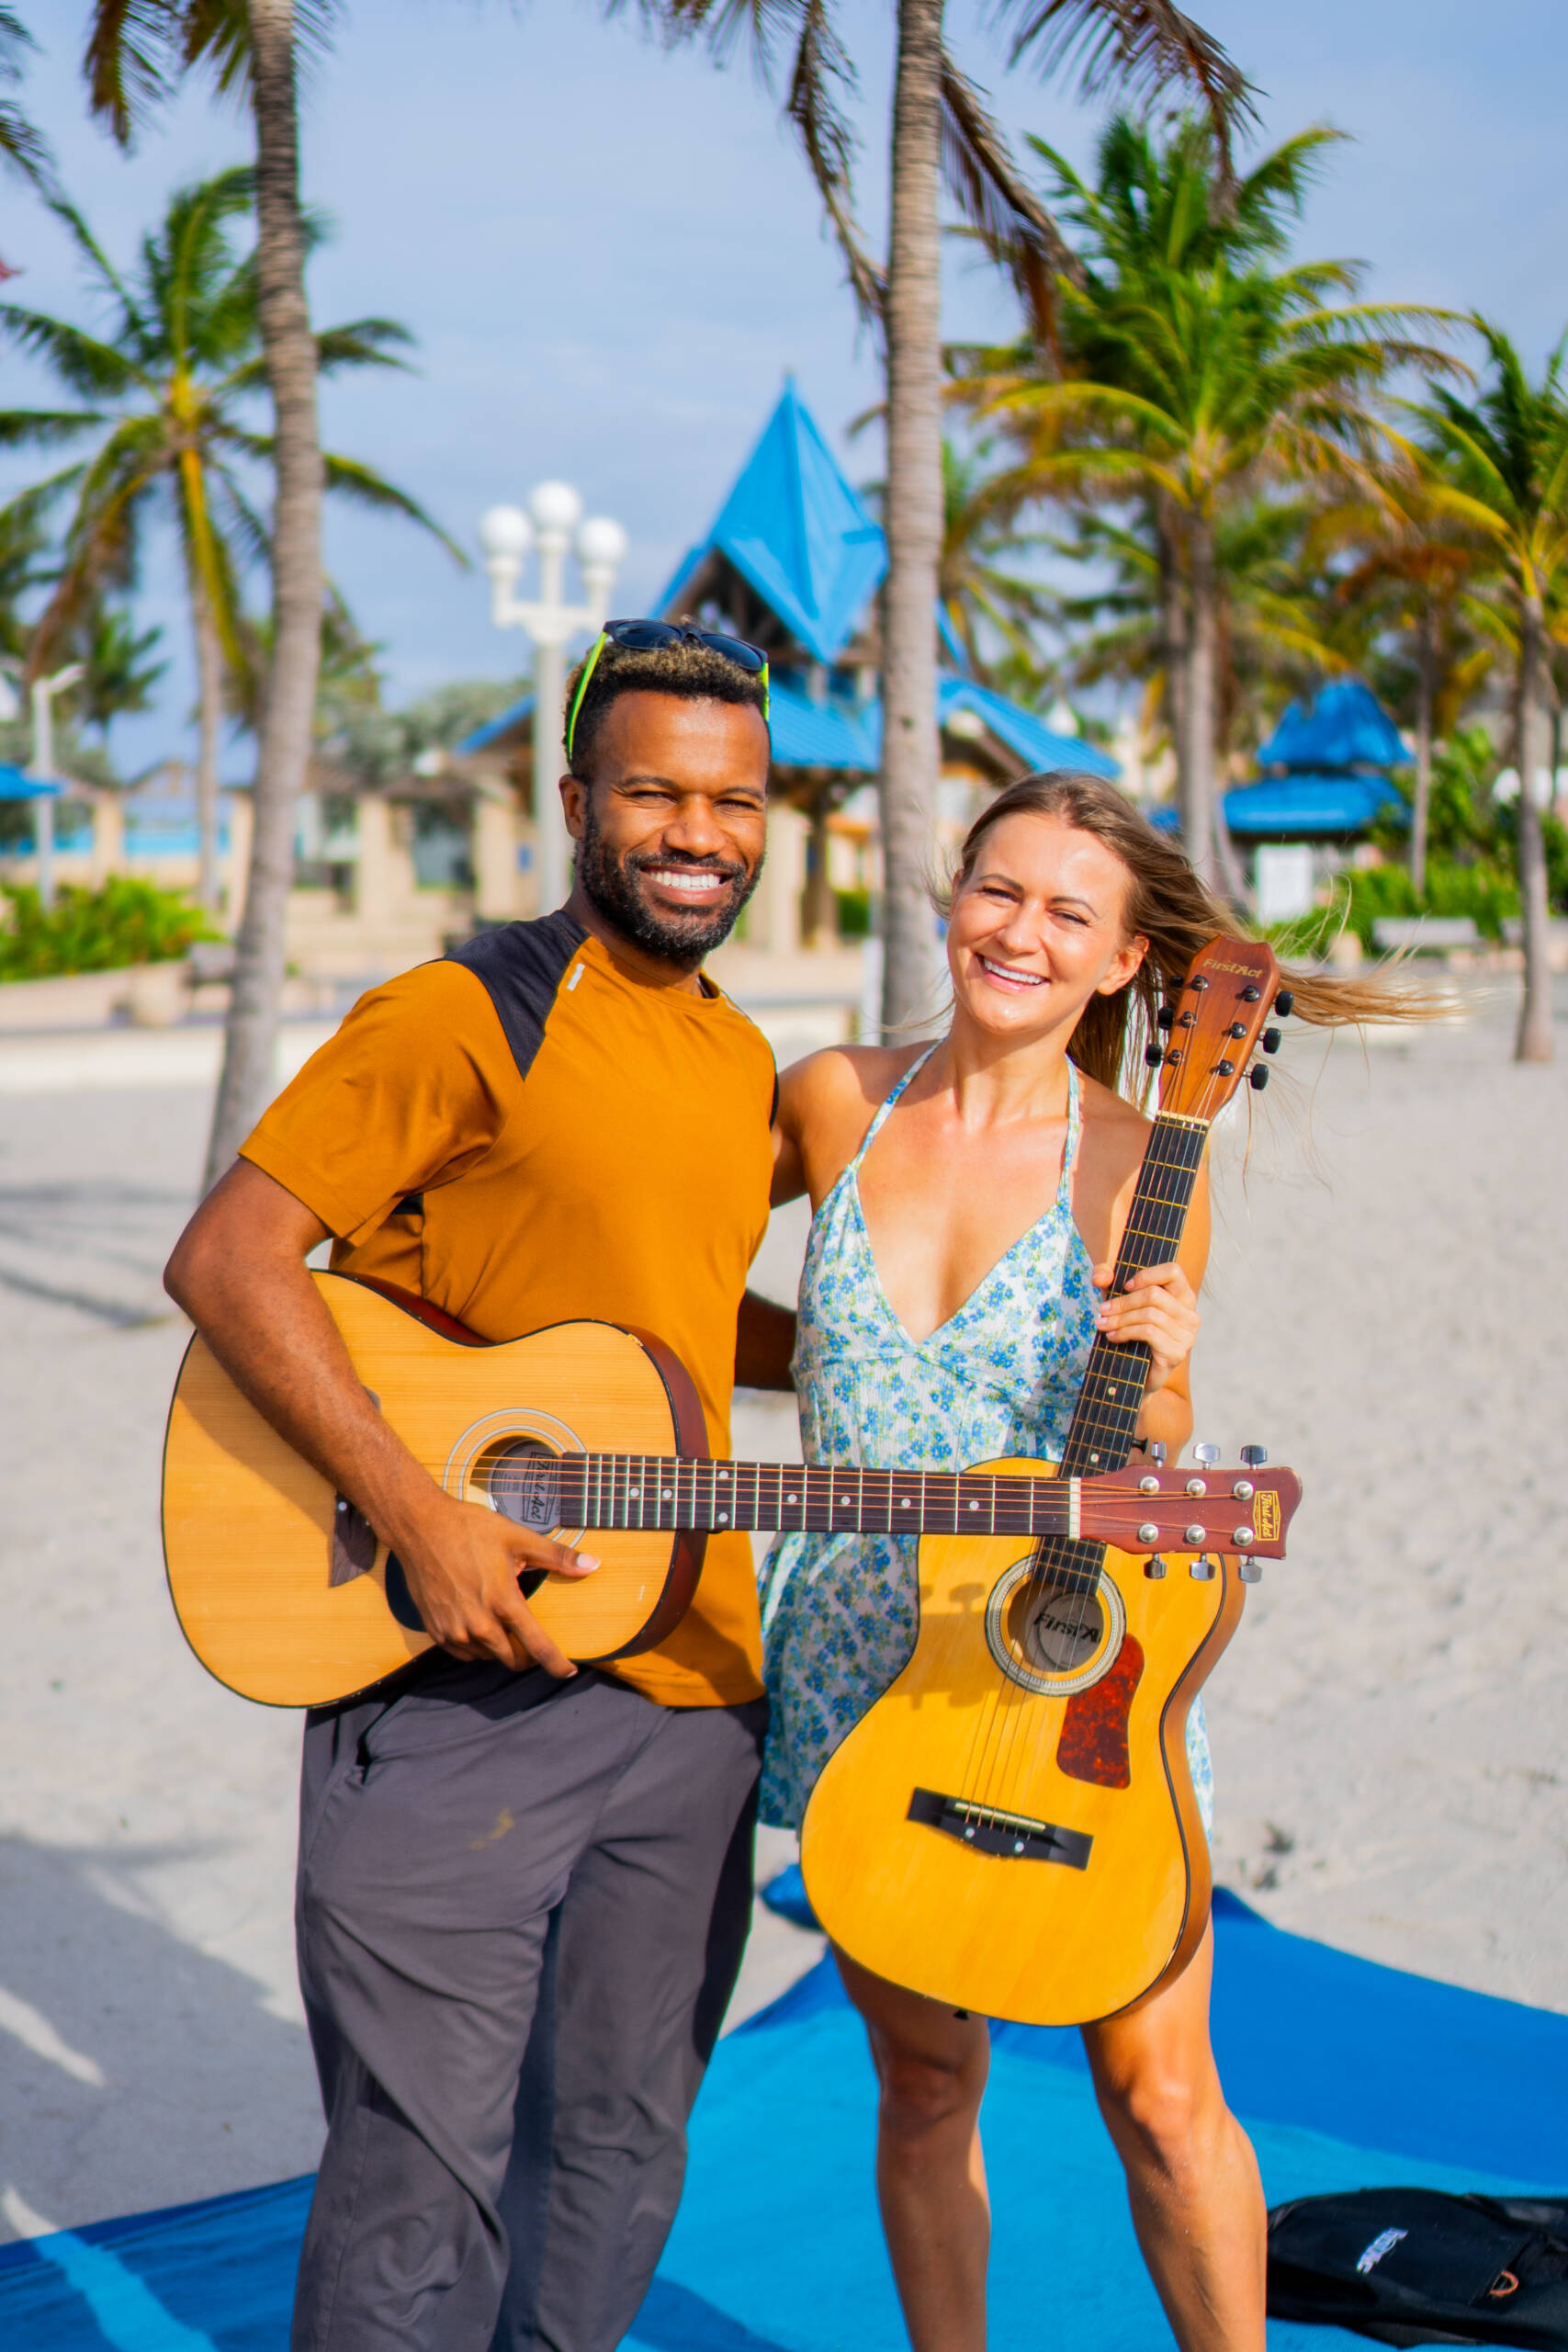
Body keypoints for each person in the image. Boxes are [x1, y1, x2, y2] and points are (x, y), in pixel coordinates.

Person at [163, 622, 798, 2352]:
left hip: (696, 1686)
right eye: (657, 792)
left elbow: (664, 1298)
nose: (699, 833)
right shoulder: (463, 1012)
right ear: (579, 799)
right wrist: (422, 1507)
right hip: (455, 1687)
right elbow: (230, 1259)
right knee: (415, 2190)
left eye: (734, 801)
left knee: (617, 2151)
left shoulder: (740, 1055)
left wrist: (840, 1364)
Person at [760, 772, 1413, 2352]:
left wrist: (1166, 1363)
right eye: (1000, 891)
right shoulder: (833, 1098)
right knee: (923, 2079)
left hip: (1062, 1653)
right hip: (859, 1651)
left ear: (1127, 963)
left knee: (1162, 2091)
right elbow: (665, 1280)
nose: (1020, 934)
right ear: (951, 893)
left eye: (1069, 913)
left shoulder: (1143, 1159)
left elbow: (1153, 1428)